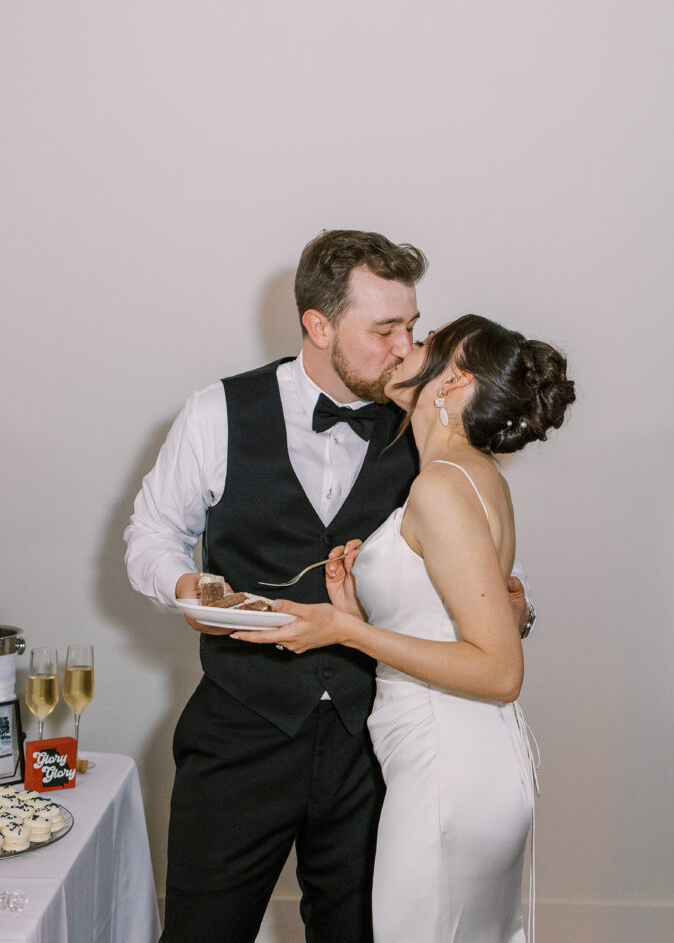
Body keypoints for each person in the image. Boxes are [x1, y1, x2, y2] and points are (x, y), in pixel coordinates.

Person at [124, 232, 532, 943]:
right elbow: (149, 536)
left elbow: (475, 581)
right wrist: (186, 583)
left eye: (410, 325)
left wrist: (513, 611)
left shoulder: (429, 422)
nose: (407, 347)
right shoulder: (216, 412)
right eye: (385, 330)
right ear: (318, 325)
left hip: (374, 745)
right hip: (240, 733)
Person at [233, 315, 575, 943]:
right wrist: (361, 609)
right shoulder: (471, 477)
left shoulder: (441, 487)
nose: (403, 350)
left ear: (452, 381)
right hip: (460, 761)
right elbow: (445, 629)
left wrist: (344, 631)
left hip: (449, 769)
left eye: (423, 344)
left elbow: (500, 671)